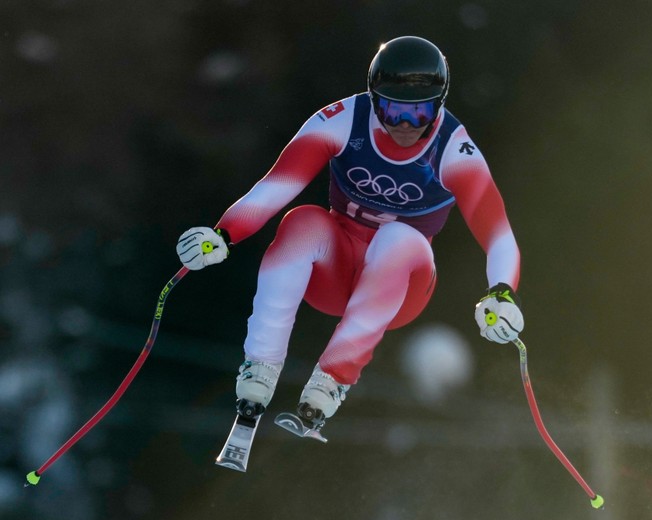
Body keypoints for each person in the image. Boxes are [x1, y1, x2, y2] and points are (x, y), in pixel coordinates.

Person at [175, 36, 523, 434]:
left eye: (420, 112)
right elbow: (279, 185)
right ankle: (260, 367)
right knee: (303, 220)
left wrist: (501, 291)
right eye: (393, 111)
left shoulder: (453, 149)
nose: (406, 126)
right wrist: (223, 233)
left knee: (399, 238)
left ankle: (333, 380)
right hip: (334, 272)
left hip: (400, 286)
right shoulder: (343, 119)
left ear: (438, 105)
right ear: (376, 100)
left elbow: (498, 234)